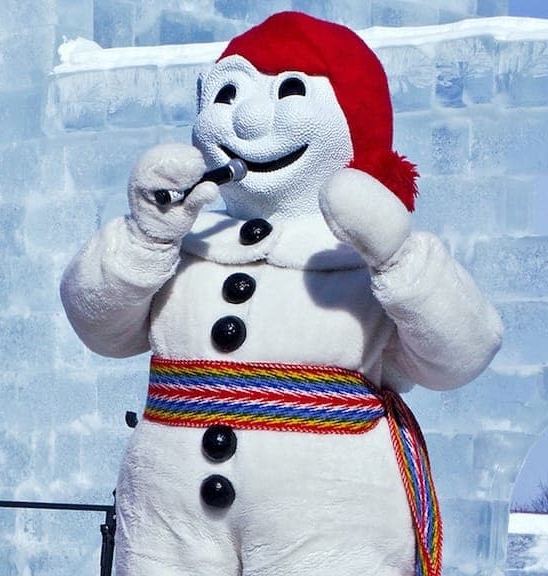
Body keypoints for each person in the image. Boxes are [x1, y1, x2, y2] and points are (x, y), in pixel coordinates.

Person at [59, 12, 502, 576]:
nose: (245, 119)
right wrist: (145, 238)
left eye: (290, 92)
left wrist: (400, 258)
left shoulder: (366, 257)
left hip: (329, 527)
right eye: (229, 93)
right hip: (169, 532)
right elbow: (99, 327)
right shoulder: (184, 241)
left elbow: (460, 355)